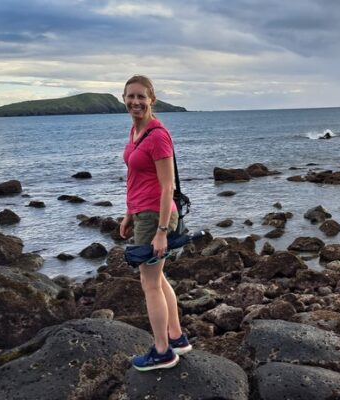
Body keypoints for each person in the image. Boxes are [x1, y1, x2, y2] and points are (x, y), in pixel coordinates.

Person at [120, 75, 192, 371]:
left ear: (152, 100)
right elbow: (136, 177)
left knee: (149, 283)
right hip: (142, 213)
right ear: (123, 98)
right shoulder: (136, 130)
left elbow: (167, 186)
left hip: (156, 215)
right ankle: (176, 338)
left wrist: (162, 231)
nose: (135, 102)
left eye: (141, 97)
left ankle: (162, 352)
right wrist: (128, 213)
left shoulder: (158, 136)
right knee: (157, 278)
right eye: (130, 96)